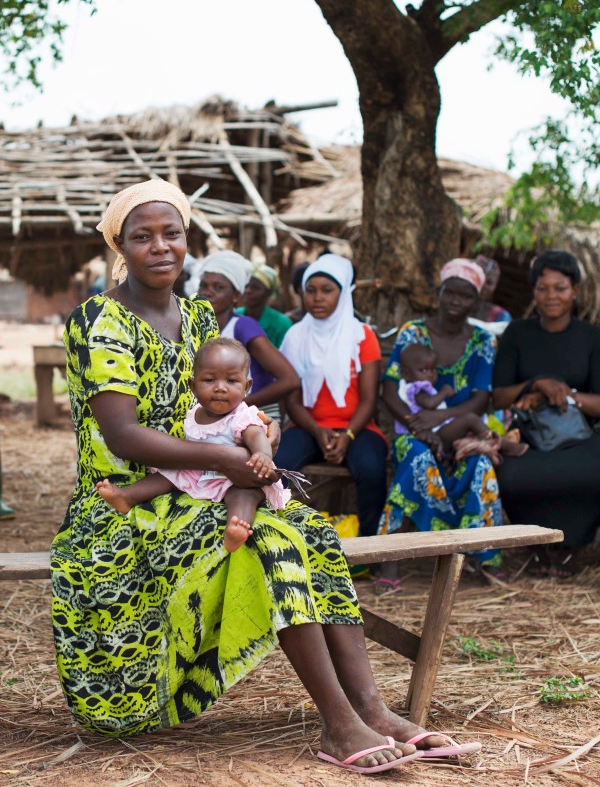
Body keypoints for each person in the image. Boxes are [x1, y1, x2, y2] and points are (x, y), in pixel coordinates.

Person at [51, 178, 474, 771]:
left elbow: (228, 409)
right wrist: (228, 460)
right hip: (124, 507)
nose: (160, 247)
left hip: (208, 492)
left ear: (187, 238)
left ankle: (372, 710)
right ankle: (339, 724)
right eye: (142, 236)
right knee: (270, 544)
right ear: (120, 243)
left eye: (171, 233)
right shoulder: (100, 320)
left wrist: (259, 436)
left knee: (313, 531)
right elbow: (122, 435)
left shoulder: (200, 319)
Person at [376, 257, 504, 593]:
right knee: (417, 457)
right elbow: (390, 389)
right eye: (450, 293)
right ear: (439, 293)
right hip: (412, 430)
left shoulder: (482, 340)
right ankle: (389, 558)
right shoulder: (412, 332)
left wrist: (440, 418)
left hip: (460, 431)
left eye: (465, 296)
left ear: (476, 301)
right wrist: (420, 427)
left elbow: (481, 398)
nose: (455, 302)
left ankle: (485, 555)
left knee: (479, 464)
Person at [95, 337, 290, 553]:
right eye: (209, 381)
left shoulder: (242, 415)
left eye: (232, 381)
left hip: (237, 477)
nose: (220, 388)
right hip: (201, 472)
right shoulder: (194, 413)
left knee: (243, 495)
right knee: (166, 475)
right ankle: (127, 496)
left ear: (247, 387)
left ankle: (236, 528)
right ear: (192, 386)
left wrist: (262, 454)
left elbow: (255, 435)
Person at [493, 249, 600, 578]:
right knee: (511, 476)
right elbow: (498, 396)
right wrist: (537, 384)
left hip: (580, 436)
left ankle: (571, 549)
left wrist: (564, 395)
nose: (551, 296)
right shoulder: (517, 334)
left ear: (576, 291)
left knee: (592, 473)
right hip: (529, 436)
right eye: (543, 288)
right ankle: (537, 549)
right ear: (533, 291)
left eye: (560, 287)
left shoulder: (592, 336)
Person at [275, 254, 388, 539]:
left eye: (327, 290)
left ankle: (370, 546)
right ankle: (280, 541)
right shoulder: (295, 336)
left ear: (344, 293)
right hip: (308, 425)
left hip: (357, 427)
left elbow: (368, 400)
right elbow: (293, 401)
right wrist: (317, 429)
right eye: (310, 290)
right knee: (277, 467)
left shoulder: (362, 336)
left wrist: (347, 435)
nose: (317, 298)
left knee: (372, 469)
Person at [195, 251, 299, 422]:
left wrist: (238, 404)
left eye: (218, 287)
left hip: (255, 412)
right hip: (217, 411)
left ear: (236, 296)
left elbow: (290, 380)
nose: (208, 292)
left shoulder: (242, 326)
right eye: (204, 285)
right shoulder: (195, 326)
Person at [397, 343, 528, 466]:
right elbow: (429, 403)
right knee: (469, 419)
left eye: (433, 370)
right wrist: (444, 391)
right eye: (423, 370)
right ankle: (501, 443)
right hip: (432, 434)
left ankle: (488, 442)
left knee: (469, 427)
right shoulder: (417, 387)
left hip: (434, 431)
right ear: (407, 373)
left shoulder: (410, 386)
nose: (430, 375)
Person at [237, 263, 292, 348]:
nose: (248, 291)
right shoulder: (235, 316)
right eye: (246, 286)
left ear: (268, 293)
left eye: (256, 288)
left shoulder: (281, 323)